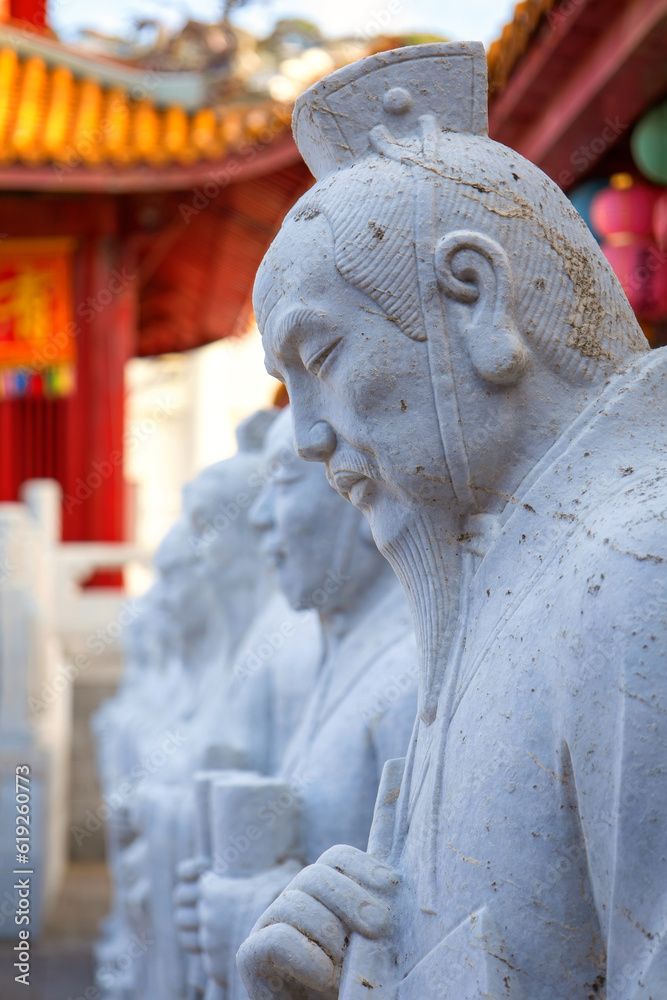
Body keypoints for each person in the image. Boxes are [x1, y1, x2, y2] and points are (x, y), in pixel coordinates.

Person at [237, 41, 667, 1000]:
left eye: (322, 355)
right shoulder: (502, 582)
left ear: (473, 296)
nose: (307, 438)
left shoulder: (638, 569)